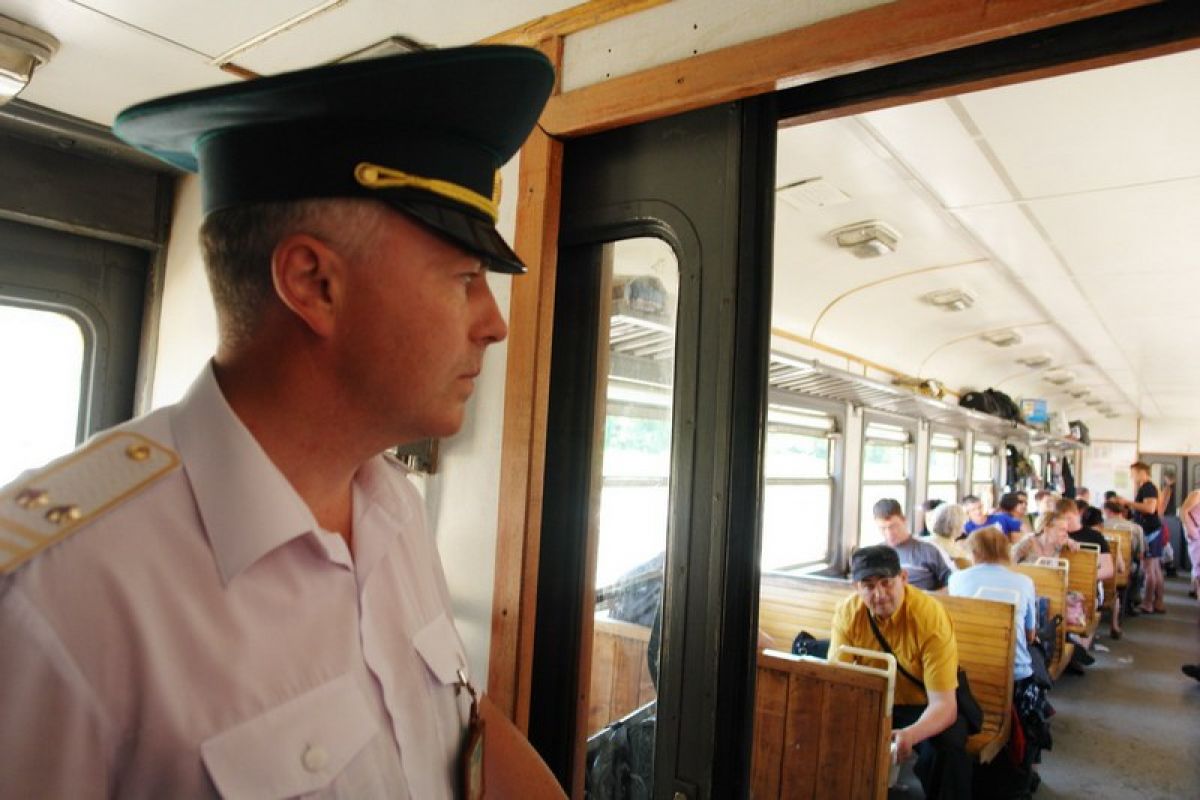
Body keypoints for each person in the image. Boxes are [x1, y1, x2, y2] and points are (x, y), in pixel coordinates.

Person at [0, 46, 557, 797]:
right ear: (313, 283)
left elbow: (457, 729)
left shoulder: (393, 508)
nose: (493, 324)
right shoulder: (54, 601)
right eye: (464, 278)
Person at [830, 545, 971, 799]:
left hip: (923, 702)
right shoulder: (848, 614)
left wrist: (911, 734)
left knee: (947, 748)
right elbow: (836, 681)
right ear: (856, 587)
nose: (879, 594)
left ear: (903, 579)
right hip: (873, 700)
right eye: (868, 585)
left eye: (887, 583)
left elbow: (945, 706)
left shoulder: (929, 617)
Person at [949, 528, 1038, 683]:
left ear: (974, 552)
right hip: (1014, 670)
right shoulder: (1025, 582)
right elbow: (1030, 635)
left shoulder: (956, 579)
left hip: (965, 665)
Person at [1115, 462, 1165, 613]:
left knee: (1150, 569)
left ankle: (1148, 603)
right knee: (1155, 569)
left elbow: (1150, 508)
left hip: (1150, 532)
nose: (1132, 477)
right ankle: (1158, 602)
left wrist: (1127, 502)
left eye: (1133, 473)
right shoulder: (1147, 487)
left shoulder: (1148, 487)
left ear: (1142, 472)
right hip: (1151, 530)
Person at [873, 498, 952, 590]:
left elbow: (952, 583)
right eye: (883, 528)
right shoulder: (875, 555)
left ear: (904, 520)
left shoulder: (928, 550)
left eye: (893, 526)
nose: (889, 533)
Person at [1102, 499, 1145, 618]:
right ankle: (1131, 602)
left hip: (1102, 568)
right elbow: (1140, 554)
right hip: (1124, 568)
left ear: (1107, 511)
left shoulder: (1101, 526)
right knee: (1139, 570)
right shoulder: (1136, 528)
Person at [1012, 511, 1078, 564]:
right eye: (1061, 529)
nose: (1066, 534)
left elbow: (1068, 540)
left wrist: (1070, 541)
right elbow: (1008, 562)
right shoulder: (1028, 541)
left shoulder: (1059, 545)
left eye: (1066, 530)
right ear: (1047, 529)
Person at [926, 502, 971, 566]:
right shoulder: (956, 553)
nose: (963, 530)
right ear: (955, 525)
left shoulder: (924, 542)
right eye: (962, 524)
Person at [1180, 489, 1200, 601]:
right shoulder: (1197, 494)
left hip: (1196, 532)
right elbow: (1183, 511)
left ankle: (1196, 590)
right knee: (1198, 566)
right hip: (1195, 533)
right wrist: (1190, 530)